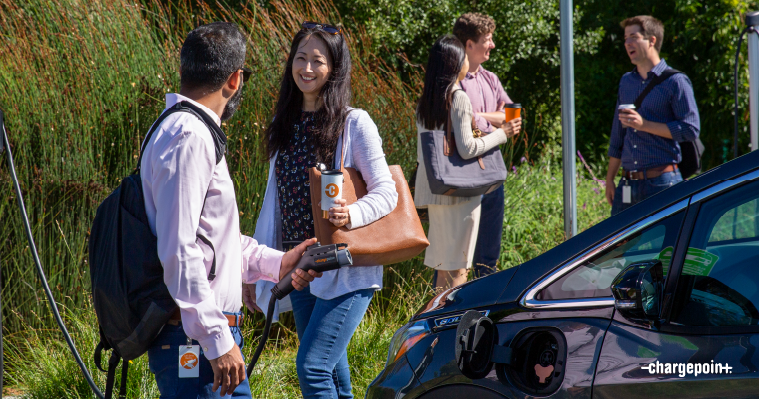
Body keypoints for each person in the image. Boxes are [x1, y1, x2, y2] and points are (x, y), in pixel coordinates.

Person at [140, 22, 321, 398]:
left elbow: (214, 238)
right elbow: (180, 248)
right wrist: (217, 340)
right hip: (195, 341)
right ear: (235, 79)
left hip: (200, 337)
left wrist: (278, 262)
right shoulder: (189, 136)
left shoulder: (186, 130)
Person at [251, 21, 398, 399]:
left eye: (318, 60)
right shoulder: (283, 123)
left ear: (334, 68)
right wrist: (257, 269)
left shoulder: (354, 123)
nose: (307, 68)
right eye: (300, 58)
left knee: (311, 366)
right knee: (332, 372)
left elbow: (387, 192)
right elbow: (275, 203)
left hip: (345, 264)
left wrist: (352, 213)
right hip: (303, 263)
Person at [414, 35, 519, 291]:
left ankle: (431, 326)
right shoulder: (458, 97)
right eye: (462, 56)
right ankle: (441, 325)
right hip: (459, 194)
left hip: (435, 189)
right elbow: (468, 148)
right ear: (453, 63)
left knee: (444, 270)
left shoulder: (426, 99)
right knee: (459, 271)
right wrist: (501, 134)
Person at [605, 15, 700, 216]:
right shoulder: (626, 82)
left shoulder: (676, 81)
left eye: (633, 37)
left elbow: (691, 128)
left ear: (652, 40)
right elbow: (618, 134)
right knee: (618, 246)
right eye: (625, 39)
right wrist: (610, 178)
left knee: (666, 246)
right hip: (628, 184)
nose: (627, 43)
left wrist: (644, 125)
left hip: (663, 183)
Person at [453, 12, 521, 278]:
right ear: (469, 44)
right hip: (464, 176)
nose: (492, 45)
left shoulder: (490, 78)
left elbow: (513, 115)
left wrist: (478, 117)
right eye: (487, 40)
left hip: (493, 173)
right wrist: (494, 119)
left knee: (488, 257)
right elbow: (494, 120)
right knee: (459, 256)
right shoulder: (451, 83)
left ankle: (485, 312)